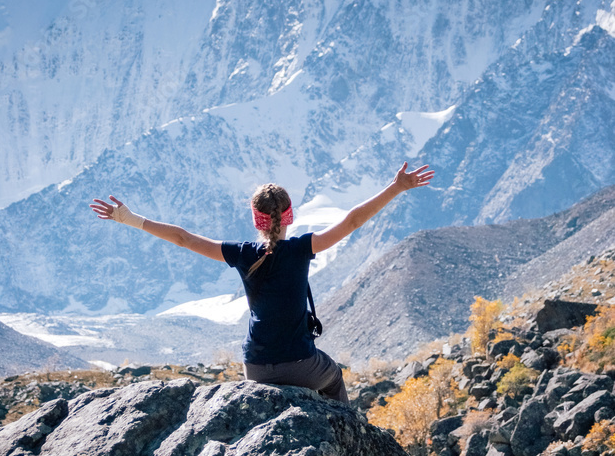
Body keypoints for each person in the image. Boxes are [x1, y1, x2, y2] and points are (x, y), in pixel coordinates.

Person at [89, 160, 433, 406]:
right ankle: (349, 440)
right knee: (334, 378)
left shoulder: (241, 252)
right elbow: (353, 220)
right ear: (290, 217)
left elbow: (183, 238)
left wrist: (130, 218)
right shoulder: (302, 249)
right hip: (301, 365)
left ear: (256, 218)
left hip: (254, 368)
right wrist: (397, 187)